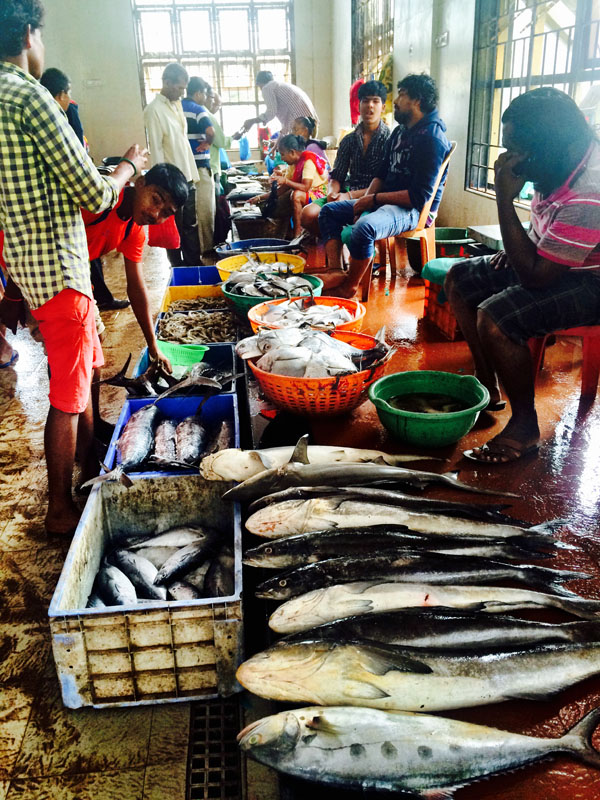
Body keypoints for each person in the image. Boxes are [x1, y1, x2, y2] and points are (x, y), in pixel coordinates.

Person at [0, 0, 148, 536]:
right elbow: (95, 191)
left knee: (84, 372)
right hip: (60, 271)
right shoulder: (31, 97)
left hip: (29, 267)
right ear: (30, 35)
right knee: (66, 394)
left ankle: (90, 467)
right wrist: (130, 165)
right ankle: (60, 508)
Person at [445, 88, 600, 464]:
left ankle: (525, 427)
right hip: (561, 260)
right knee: (460, 279)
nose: (508, 160)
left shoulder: (589, 191)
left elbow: (535, 278)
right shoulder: (557, 163)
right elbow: (547, 223)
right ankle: (487, 385)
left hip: (592, 281)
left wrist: (502, 197)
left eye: (517, 151)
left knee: (497, 319)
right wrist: (523, 243)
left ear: (549, 148)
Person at [318, 73, 451, 298]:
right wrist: (364, 202)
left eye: (401, 95)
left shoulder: (432, 138)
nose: (395, 102)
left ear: (417, 101)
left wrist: (374, 200)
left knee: (365, 228)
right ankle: (336, 272)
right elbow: (381, 173)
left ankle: (349, 285)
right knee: (328, 211)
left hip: (412, 210)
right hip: (386, 201)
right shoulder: (401, 131)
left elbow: (418, 198)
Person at [82, 162, 187, 437]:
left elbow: (136, 288)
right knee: (77, 356)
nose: (156, 214)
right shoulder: (102, 200)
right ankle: (83, 435)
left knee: (95, 345)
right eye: (155, 200)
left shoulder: (134, 229)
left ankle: (89, 426)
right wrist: (11, 294)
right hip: (42, 266)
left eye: (166, 212)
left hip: (79, 274)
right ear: (139, 183)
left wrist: (154, 346)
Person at [41, 67, 129, 311]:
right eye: (67, 92)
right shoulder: (66, 112)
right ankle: (98, 299)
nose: (70, 98)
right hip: (76, 192)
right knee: (87, 248)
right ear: (60, 94)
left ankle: (95, 298)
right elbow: (79, 148)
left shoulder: (40, 115)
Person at [301, 80, 390, 237]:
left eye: (375, 101)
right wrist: (332, 193)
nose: (370, 105)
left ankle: (348, 247)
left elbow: (385, 183)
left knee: (358, 224)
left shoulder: (390, 139)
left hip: (375, 199)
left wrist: (348, 196)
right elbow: (337, 175)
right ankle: (337, 248)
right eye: (365, 100)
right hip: (347, 192)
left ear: (382, 107)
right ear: (358, 105)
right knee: (308, 215)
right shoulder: (349, 140)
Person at [143, 62, 201, 266]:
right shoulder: (153, 110)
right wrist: (161, 187)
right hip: (170, 182)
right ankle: (177, 267)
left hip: (188, 174)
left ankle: (195, 266)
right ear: (166, 82)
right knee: (173, 227)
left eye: (184, 89)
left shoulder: (177, 105)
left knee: (190, 225)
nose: (182, 93)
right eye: (179, 88)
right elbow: (157, 149)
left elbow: (181, 142)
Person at [249, 133, 328, 236]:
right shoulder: (293, 164)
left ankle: (297, 234)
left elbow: (305, 187)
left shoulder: (308, 161)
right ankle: (290, 232)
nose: (281, 158)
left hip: (320, 194)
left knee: (296, 195)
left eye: (282, 154)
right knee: (288, 195)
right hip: (307, 193)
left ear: (292, 152)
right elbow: (281, 190)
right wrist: (259, 197)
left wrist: (285, 181)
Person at [181, 76, 216, 256]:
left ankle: (191, 251)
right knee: (205, 210)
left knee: (189, 213)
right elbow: (211, 132)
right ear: (198, 93)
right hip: (200, 166)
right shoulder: (197, 109)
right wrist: (207, 143)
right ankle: (206, 249)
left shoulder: (177, 107)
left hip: (183, 168)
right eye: (204, 94)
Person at [243, 70, 319, 138]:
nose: (260, 89)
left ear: (260, 83)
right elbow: (286, 122)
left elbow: (271, 112)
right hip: (311, 123)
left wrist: (252, 121)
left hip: (300, 125)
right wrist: (277, 144)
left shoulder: (267, 88)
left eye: (259, 86)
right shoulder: (281, 85)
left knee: (295, 151)